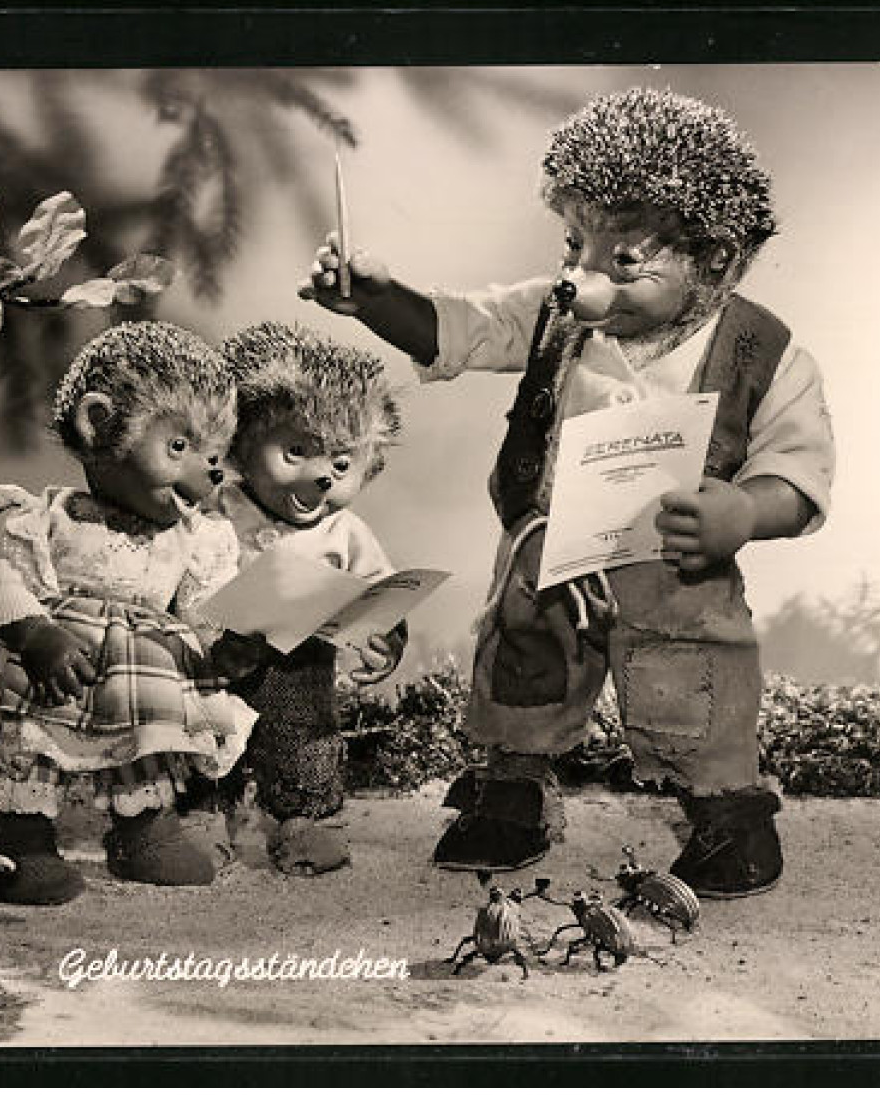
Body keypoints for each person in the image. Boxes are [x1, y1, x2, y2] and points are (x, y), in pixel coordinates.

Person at [299, 87, 835, 898]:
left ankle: (728, 812)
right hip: (547, 541)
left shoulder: (765, 352)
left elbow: (798, 471)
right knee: (524, 657)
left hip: (673, 562)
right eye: (573, 245)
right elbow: (457, 326)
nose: (581, 280)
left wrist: (744, 510)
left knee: (693, 680)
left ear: (715, 260)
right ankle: (513, 783)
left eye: (621, 262)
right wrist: (375, 301)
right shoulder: (558, 315)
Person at [0, 321, 255, 902]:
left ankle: (145, 832)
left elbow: (203, 605)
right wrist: (36, 635)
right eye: (178, 447)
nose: (206, 470)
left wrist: (225, 644)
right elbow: (2, 577)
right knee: (29, 740)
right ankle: (20, 837)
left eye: (212, 454)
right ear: (98, 424)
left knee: (150, 743)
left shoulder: (197, 537)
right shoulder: (39, 518)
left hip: (143, 670)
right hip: (54, 661)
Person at [212, 321, 407, 875]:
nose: (322, 477)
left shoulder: (344, 532)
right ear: (239, 445)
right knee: (206, 738)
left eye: (341, 464)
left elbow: (378, 594)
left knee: (304, 741)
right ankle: (207, 812)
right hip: (217, 663)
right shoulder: (215, 511)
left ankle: (300, 818)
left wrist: (382, 641)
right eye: (296, 451)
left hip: (300, 672)